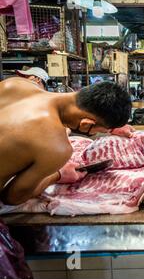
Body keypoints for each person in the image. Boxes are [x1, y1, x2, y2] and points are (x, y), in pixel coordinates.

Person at [0, 78, 131, 206]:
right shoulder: (57, 148)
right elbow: (13, 197)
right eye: (97, 131)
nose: (95, 134)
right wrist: (58, 175)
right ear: (86, 124)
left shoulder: (15, 84)